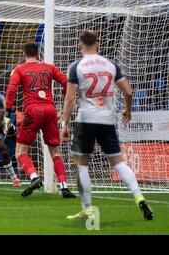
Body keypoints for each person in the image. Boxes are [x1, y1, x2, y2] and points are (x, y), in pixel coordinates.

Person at [61, 30, 154, 221]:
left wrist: (64, 124)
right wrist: (128, 110)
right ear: (98, 43)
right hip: (107, 120)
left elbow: (70, 99)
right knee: (118, 163)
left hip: (86, 119)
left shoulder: (76, 66)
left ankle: (87, 210)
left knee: (81, 165)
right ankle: (139, 196)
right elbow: (128, 92)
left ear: (80, 45)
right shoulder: (111, 65)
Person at [5, 42, 75, 198]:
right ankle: (64, 186)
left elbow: (11, 90)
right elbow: (65, 82)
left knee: (20, 152)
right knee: (55, 151)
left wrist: (7, 114)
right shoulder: (49, 67)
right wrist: (65, 103)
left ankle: (34, 177)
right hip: (50, 110)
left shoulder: (19, 69)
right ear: (38, 54)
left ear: (24, 54)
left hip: (32, 110)